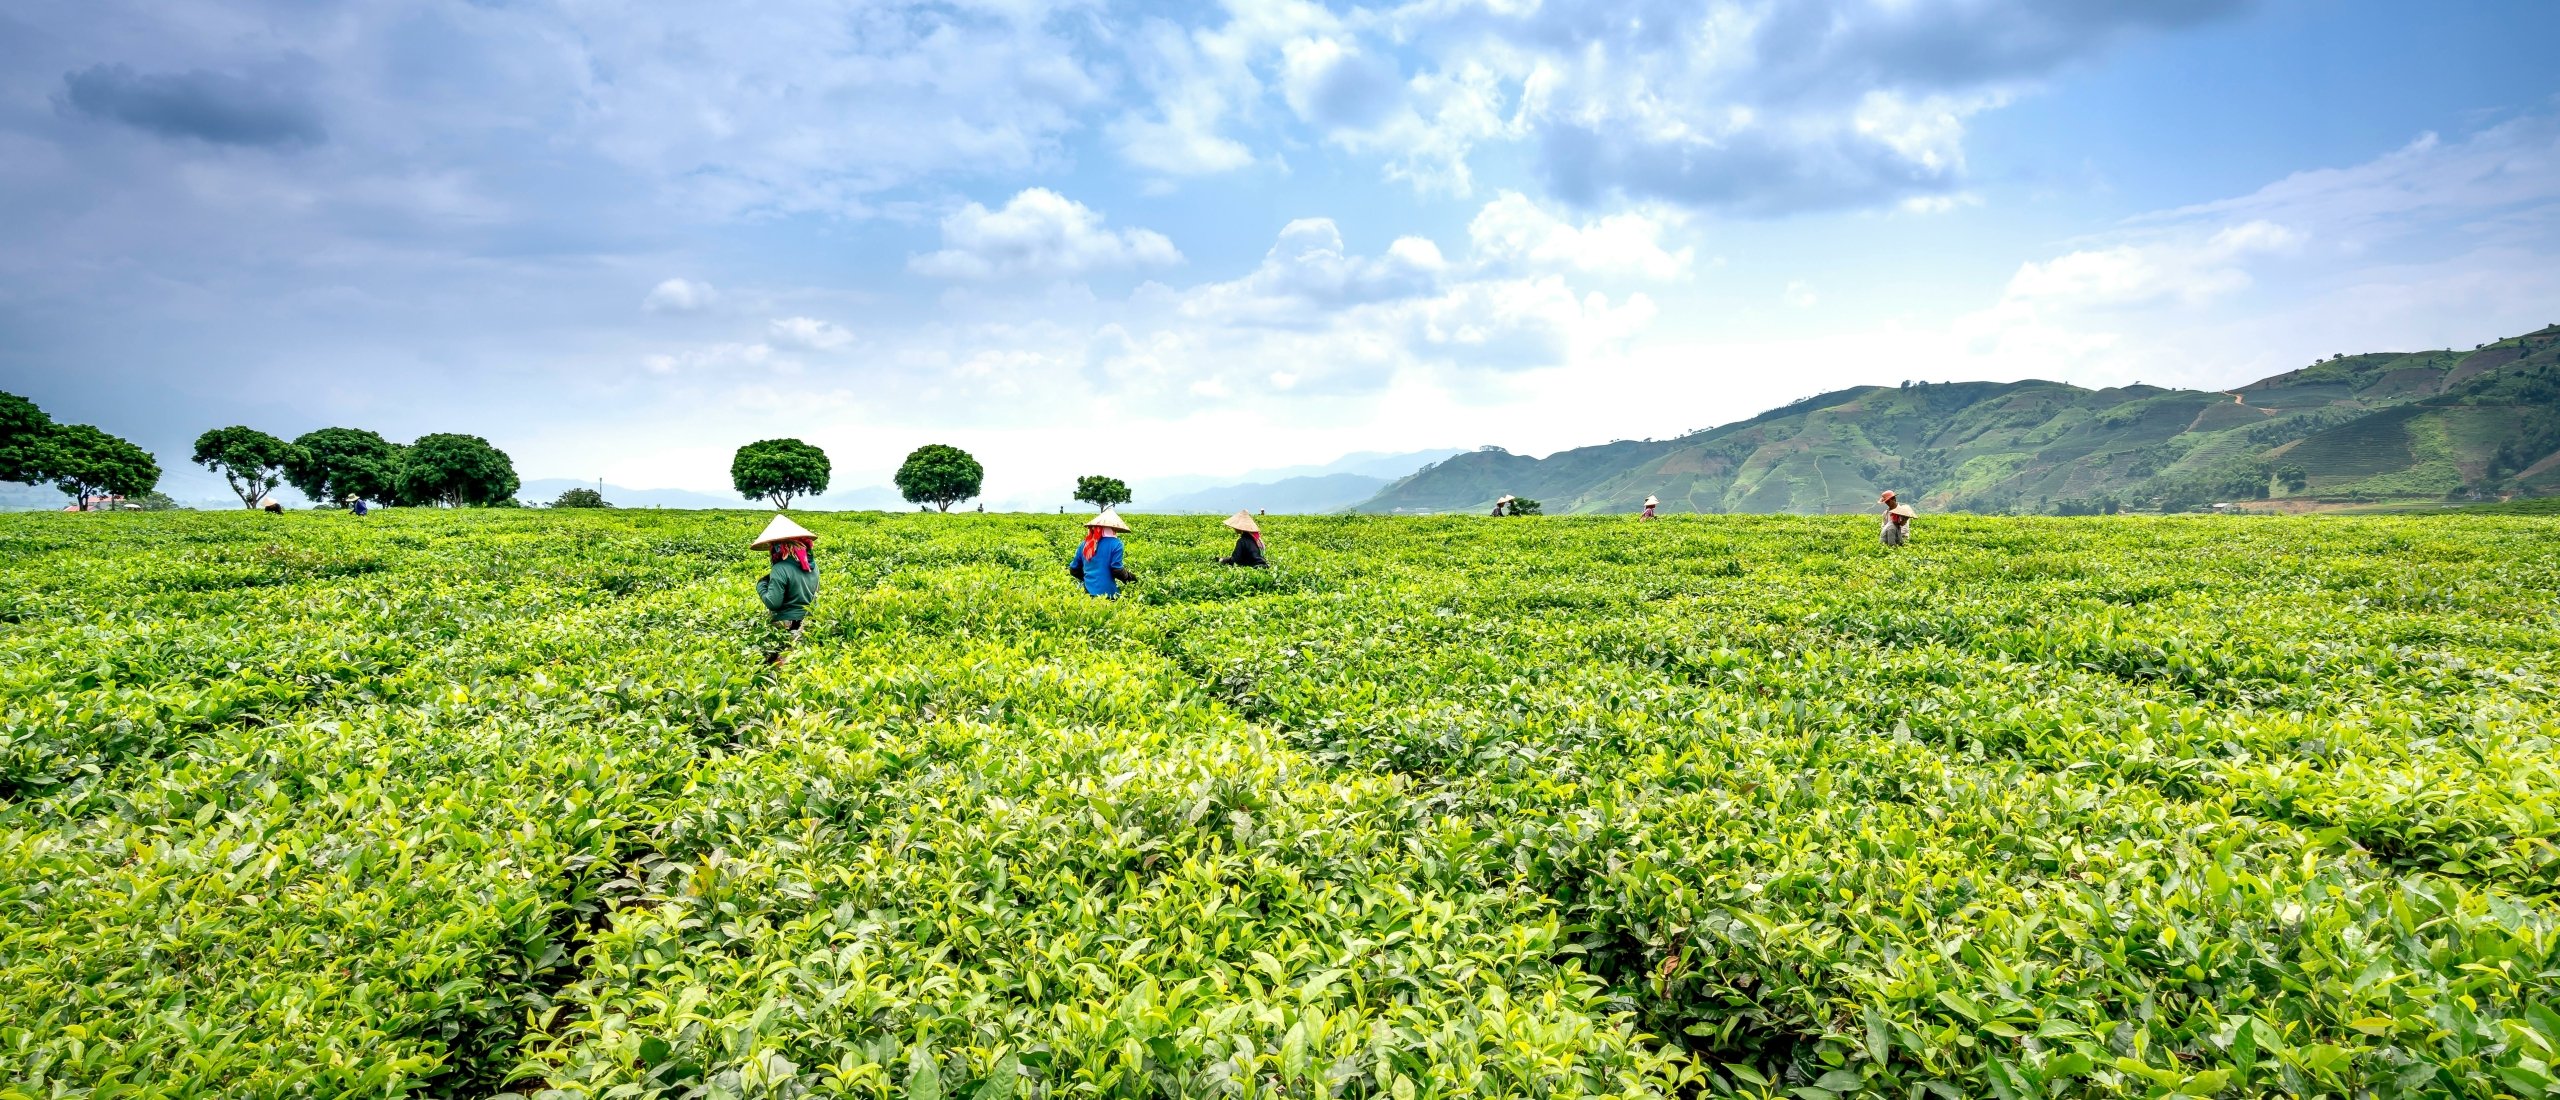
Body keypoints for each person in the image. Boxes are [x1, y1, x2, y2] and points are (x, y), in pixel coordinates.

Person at [752, 514, 820, 664]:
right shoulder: (813, 567)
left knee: (775, 668)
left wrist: (761, 586)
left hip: (784, 626)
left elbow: (773, 602)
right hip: (807, 623)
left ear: (778, 547)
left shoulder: (780, 568)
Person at [1068, 509, 1136, 597]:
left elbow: (1074, 569)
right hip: (1108, 594)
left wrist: (1089, 579)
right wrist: (1130, 578)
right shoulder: (1116, 544)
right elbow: (1116, 569)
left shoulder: (1085, 544)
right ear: (1113, 529)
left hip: (1087, 593)